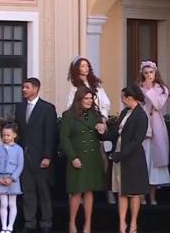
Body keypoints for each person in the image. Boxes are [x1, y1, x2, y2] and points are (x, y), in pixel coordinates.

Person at [65, 56, 113, 204]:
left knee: (103, 161)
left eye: (87, 65)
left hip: (96, 124)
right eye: (82, 65)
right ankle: (77, 193)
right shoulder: (74, 87)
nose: (85, 68)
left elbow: (105, 102)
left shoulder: (96, 85)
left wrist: (102, 119)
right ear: (77, 68)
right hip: (81, 125)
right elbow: (70, 107)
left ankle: (108, 190)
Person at [59, 87, 107, 233]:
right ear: (79, 99)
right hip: (77, 157)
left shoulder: (96, 114)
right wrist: (73, 157)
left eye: (91, 99)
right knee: (76, 192)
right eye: (86, 98)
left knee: (89, 191)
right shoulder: (68, 115)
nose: (89, 101)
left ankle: (87, 225)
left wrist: (102, 130)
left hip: (92, 158)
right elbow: (64, 138)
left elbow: (102, 137)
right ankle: (72, 224)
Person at [104, 85, 150, 233]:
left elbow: (136, 141)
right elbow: (116, 132)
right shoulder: (125, 112)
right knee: (122, 191)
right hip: (120, 154)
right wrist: (102, 133)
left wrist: (120, 155)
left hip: (133, 158)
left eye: (123, 97)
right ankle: (122, 223)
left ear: (130, 98)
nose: (122, 100)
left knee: (134, 192)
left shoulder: (141, 115)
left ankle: (133, 223)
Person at [14, 77, 57, 233]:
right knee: (28, 191)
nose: (23, 90)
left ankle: (46, 223)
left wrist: (47, 156)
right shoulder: (19, 107)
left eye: (26, 87)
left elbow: (50, 134)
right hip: (24, 157)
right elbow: (18, 132)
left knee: (44, 191)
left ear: (35, 89)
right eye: (23, 87)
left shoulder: (47, 108)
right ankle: (30, 222)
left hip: (41, 157)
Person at [136, 60, 170, 204]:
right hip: (142, 126)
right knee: (143, 159)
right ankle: (142, 194)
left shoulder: (162, 89)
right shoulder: (138, 88)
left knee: (154, 161)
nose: (149, 75)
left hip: (156, 126)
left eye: (151, 72)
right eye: (146, 73)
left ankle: (153, 195)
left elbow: (158, 104)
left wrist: (150, 89)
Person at [0, 123, 24, 233]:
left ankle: (10, 226)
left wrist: (12, 178)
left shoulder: (19, 149)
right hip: (1, 179)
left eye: (8, 135)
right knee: (3, 204)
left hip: (13, 180)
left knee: (12, 203)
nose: (5, 137)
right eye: (4, 135)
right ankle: (4, 227)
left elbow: (20, 166)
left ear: (14, 135)